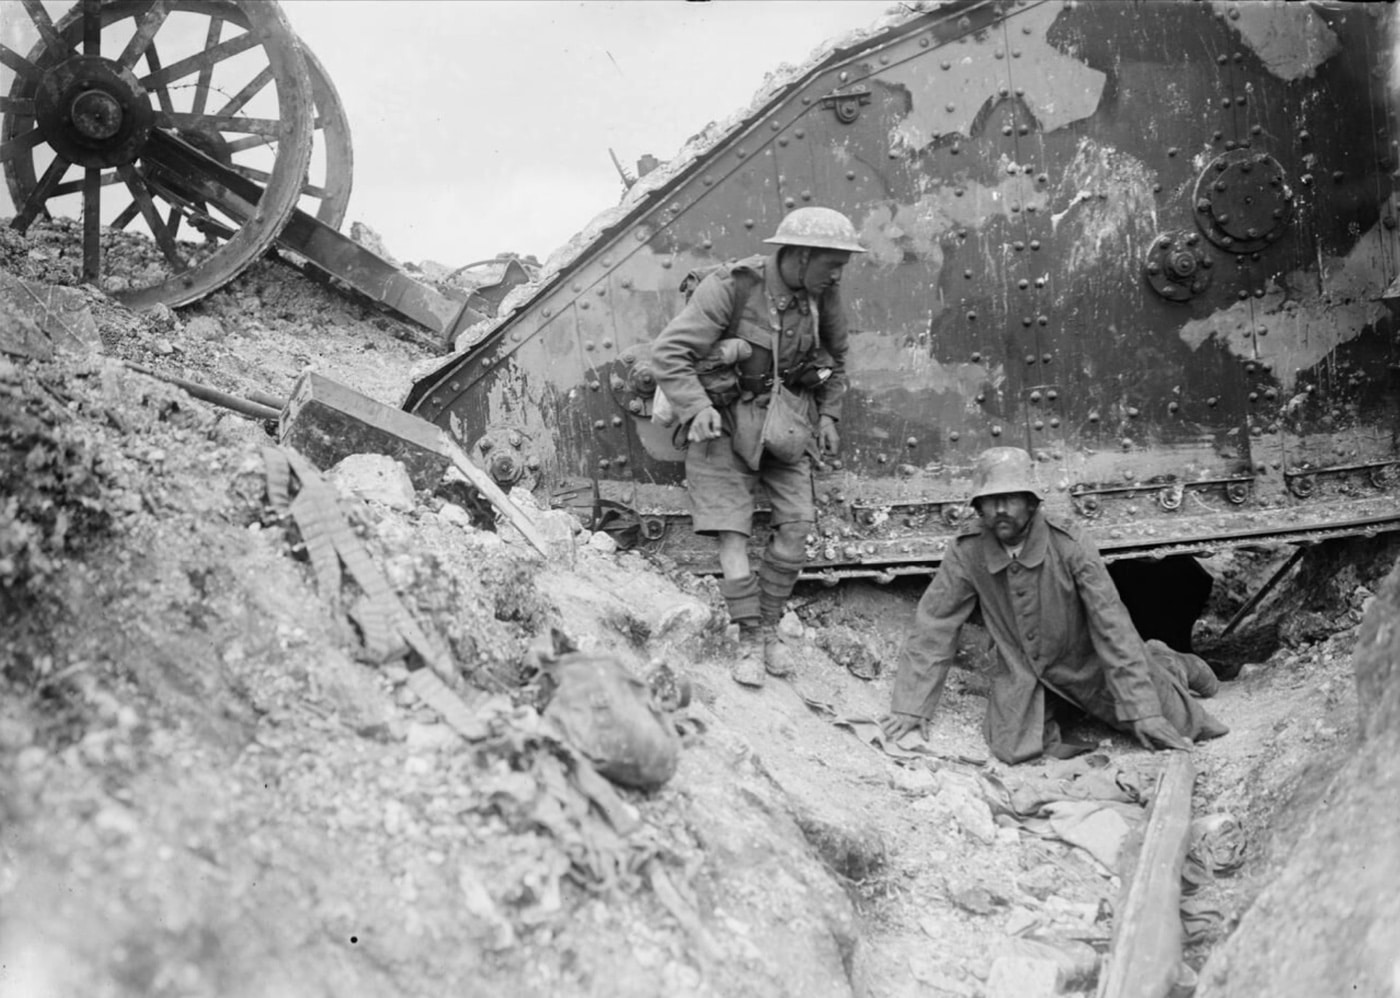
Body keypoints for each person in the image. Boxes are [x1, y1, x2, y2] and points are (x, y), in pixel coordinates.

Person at [880, 446, 1227, 764]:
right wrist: (912, 707)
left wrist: (1143, 708)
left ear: (1032, 503)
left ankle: (1171, 662)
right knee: (1012, 747)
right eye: (990, 500)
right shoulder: (966, 551)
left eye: (1012, 498)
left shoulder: (1069, 544)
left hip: (1089, 663)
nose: (1001, 509)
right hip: (1026, 670)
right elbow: (935, 625)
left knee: (1168, 724)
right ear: (978, 507)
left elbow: (1112, 626)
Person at [651, 206, 866, 687]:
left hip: (785, 425)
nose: (837, 276)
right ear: (803, 254)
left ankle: (769, 628)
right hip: (723, 425)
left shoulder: (820, 297)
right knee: (733, 535)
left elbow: (838, 359)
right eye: (832, 264)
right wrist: (695, 407)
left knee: (796, 525)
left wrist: (828, 414)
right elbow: (668, 353)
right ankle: (750, 637)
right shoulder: (732, 286)